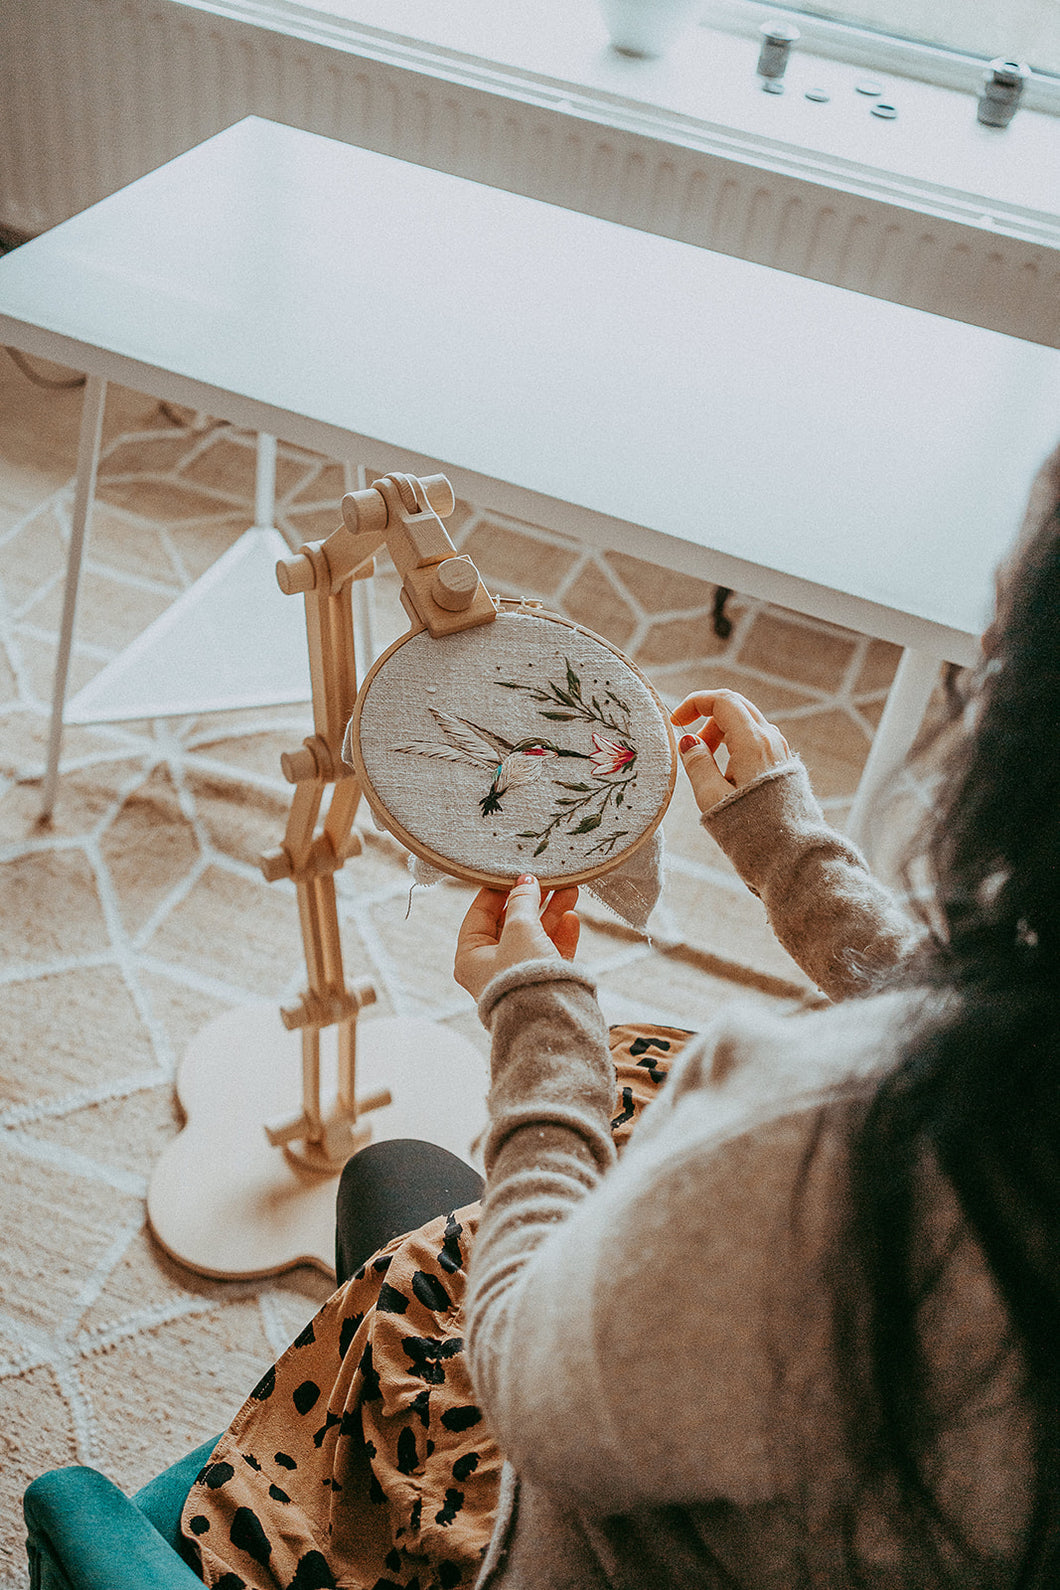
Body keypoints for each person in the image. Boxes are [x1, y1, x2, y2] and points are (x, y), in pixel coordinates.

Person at [180, 443, 1060, 1590]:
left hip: (569, 1514)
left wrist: (538, 1020)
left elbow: (525, 1379)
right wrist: (788, 850)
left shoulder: (816, 1143)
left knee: (395, 1177)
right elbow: (988, 1033)